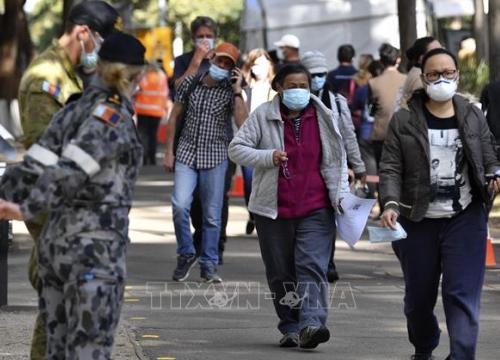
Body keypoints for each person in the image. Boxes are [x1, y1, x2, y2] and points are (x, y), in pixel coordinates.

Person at [0, 31, 146, 358]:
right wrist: (23, 209)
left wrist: (11, 197)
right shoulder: (112, 117)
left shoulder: (71, 111)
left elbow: (35, 164)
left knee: (57, 348)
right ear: (134, 75)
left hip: (57, 248)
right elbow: (72, 170)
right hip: (93, 251)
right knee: (89, 350)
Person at [12, 2, 120, 357]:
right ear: (83, 32)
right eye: (102, 37)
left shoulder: (70, 74)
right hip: (54, 213)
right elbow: (46, 155)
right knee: (56, 310)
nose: (103, 46)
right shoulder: (46, 79)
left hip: (72, 211)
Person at [379, 48, 500, 360]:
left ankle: (461, 355)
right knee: (419, 299)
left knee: (462, 295)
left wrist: (492, 176)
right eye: (434, 73)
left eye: (448, 72)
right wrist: (390, 204)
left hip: (466, 218)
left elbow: (488, 156)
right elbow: (391, 166)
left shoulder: (472, 114)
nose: (442, 78)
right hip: (416, 220)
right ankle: (424, 344)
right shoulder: (404, 119)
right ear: (423, 77)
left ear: (457, 74)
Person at [228, 63, 349, 349]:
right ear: (278, 88)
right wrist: (267, 157)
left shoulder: (324, 116)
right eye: (292, 86)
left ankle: (312, 324)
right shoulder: (263, 115)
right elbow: (237, 148)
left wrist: (341, 194)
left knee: (312, 266)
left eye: (303, 86)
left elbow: (336, 159)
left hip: (317, 207)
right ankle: (290, 325)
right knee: (281, 273)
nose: (298, 91)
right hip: (273, 210)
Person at [164, 42, 248, 283]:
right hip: (187, 154)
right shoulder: (191, 83)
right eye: (220, 60)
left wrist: (237, 90)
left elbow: (244, 124)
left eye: (228, 64)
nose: (222, 66)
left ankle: (209, 264)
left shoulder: (231, 91)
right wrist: (169, 151)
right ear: (211, 58)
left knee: (212, 216)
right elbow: (174, 117)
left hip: (216, 156)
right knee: (180, 206)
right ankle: (186, 252)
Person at [301, 50, 366, 283]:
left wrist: (358, 167)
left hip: (332, 170)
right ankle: (310, 260)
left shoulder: (336, 101)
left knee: (328, 218)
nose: (317, 78)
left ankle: (327, 261)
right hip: (303, 169)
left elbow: (348, 134)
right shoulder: (297, 100)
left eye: (321, 74)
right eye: (313, 74)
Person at [240, 48, 276, 234]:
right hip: (251, 144)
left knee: (268, 182)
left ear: (269, 65)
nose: (258, 68)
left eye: (262, 63)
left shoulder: (276, 89)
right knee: (249, 183)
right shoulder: (245, 91)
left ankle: (263, 217)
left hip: (271, 144)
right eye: (254, 64)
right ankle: (252, 213)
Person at [369, 43, 406, 167]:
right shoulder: (407, 80)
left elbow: (370, 109)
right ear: (398, 60)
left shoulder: (373, 83)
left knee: (384, 171)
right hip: (403, 133)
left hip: (381, 134)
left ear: (381, 61)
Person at [134, 61, 170, 165]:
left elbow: (136, 90)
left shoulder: (143, 76)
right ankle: (152, 158)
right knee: (153, 135)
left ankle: (144, 158)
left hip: (142, 109)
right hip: (157, 111)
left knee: (142, 135)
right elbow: (165, 92)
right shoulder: (162, 76)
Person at [172, 16, 217, 90]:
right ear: (193, 39)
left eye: (209, 36)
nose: (205, 40)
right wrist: (196, 60)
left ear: (215, 38)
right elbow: (178, 88)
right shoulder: (181, 60)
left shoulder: (224, 60)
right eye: (200, 36)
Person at [400, 37, 441, 106]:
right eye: (435, 52)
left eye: (441, 50)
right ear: (421, 58)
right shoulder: (420, 79)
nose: (442, 55)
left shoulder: (421, 72)